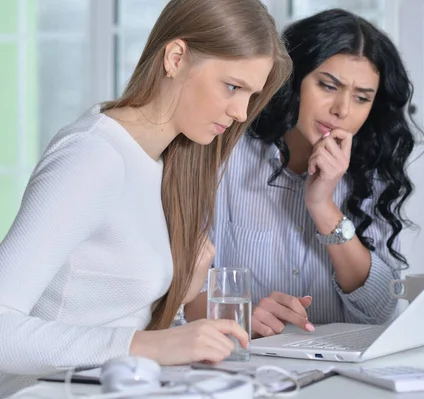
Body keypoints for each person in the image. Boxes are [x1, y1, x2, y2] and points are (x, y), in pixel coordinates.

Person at [0, 0, 291, 395]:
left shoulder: (161, 163)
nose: (241, 112)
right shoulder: (93, 156)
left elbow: (110, 315)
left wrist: (181, 296)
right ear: (175, 58)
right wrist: (151, 345)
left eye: (250, 95)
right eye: (233, 87)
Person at [186, 9, 418, 338]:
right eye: (327, 86)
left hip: (340, 370)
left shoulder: (371, 170)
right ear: (292, 80)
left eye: (362, 98)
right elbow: (178, 296)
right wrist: (238, 315)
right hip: (248, 365)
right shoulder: (224, 158)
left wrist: (324, 205)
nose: (343, 110)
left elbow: (381, 310)